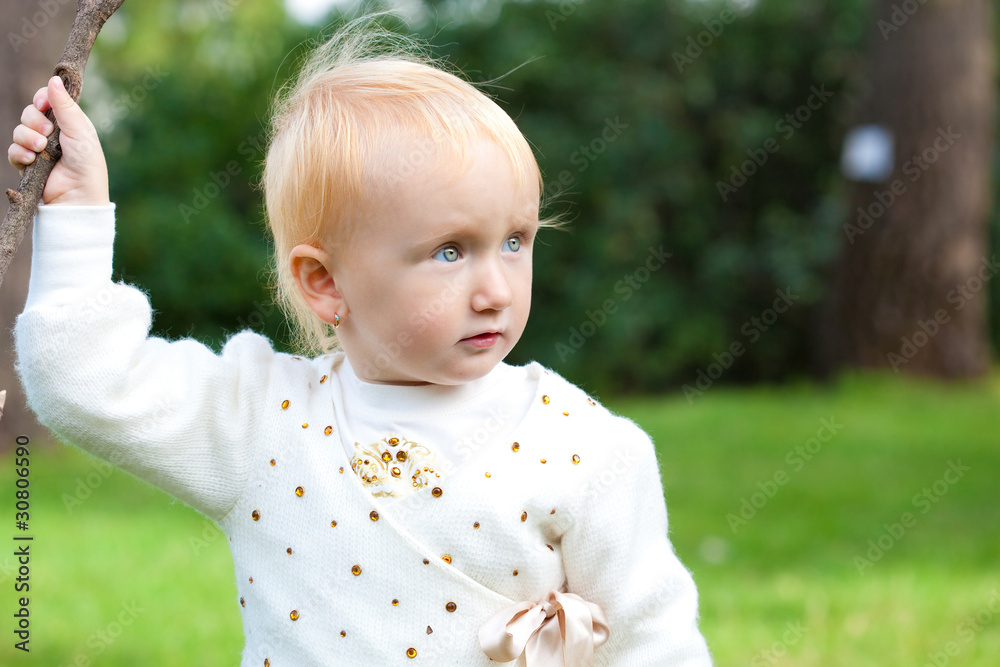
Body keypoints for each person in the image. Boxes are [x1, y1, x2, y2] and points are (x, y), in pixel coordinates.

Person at [9, 17, 712, 667]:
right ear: (324, 282)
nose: (496, 289)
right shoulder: (262, 420)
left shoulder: (585, 447)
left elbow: (657, 645)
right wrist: (76, 216)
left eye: (514, 241)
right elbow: (85, 383)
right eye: (449, 251)